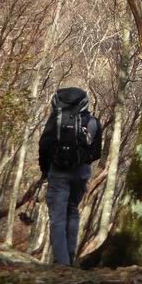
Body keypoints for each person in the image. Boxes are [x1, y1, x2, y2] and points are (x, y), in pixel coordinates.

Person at [38, 86, 103, 265]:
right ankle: (70, 256)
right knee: (72, 211)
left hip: (57, 173)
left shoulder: (55, 120)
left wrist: (45, 170)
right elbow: (96, 153)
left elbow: (44, 146)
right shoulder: (93, 123)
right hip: (80, 175)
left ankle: (61, 262)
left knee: (57, 216)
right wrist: (82, 159)